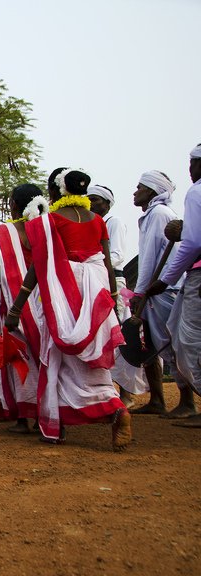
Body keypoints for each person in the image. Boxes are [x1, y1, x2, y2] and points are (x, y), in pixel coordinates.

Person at [7, 167, 131, 449]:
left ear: (56, 191)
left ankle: (56, 426)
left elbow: (38, 266)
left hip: (63, 293)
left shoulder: (49, 221)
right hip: (97, 293)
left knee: (56, 356)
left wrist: (17, 307)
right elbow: (107, 264)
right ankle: (116, 409)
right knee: (91, 361)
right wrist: (111, 300)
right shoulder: (98, 221)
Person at [0, 184, 46, 432]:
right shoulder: (47, 228)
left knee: (17, 356)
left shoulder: (4, 233)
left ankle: (22, 417)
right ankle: (45, 414)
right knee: (44, 357)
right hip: (45, 301)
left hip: (12, 301)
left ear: (14, 205)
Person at [129, 170, 197, 418]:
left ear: (152, 191)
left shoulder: (159, 214)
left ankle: (187, 401)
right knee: (153, 344)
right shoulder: (152, 215)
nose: (135, 191)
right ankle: (157, 399)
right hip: (156, 289)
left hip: (162, 289)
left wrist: (141, 291)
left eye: (140, 187)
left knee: (171, 345)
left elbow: (149, 259)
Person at [147, 143, 201, 427]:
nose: (189, 171)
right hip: (179, 281)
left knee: (185, 341)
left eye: (191, 164)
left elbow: (191, 243)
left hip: (183, 282)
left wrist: (163, 281)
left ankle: (189, 402)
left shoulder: (194, 193)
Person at [89, 184, 147, 403]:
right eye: (89, 199)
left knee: (118, 336)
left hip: (112, 280)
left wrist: (91, 264)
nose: (91, 204)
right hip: (97, 279)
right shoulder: (93, 224)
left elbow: (116, 256)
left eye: (95, 199)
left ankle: (126, 393)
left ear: (107, 203)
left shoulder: (113, 222)